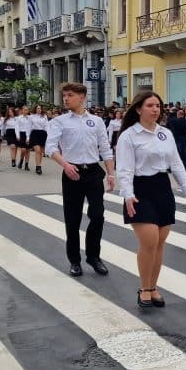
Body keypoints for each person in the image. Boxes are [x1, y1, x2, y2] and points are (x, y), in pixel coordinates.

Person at [115, 91, 186, 309]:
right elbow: (124, 168)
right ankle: (143, 287)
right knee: (149, 240)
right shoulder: (129, 136)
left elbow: (176, 163)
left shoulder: (165, 134)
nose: (155, 110)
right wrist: (128, 194)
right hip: (140, 188)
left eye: (158, 106)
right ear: (139, 109)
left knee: (160, 242)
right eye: (150, 105)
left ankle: (153, 286)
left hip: (162, 187)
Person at [46, 82, 116, 277]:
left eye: (70, 95)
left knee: (98, 215)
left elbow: (105, 148)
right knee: (73, 218)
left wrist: (110, 173)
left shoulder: (97, 121)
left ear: (82, 97)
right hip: (72, 172)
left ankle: (93, 256)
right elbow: (50, 147)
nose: (66, 99)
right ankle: (74, 261)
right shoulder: (59, 121)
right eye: (64, 96)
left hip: (93, 172)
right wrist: (66, 165)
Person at [29, 104, 49, 175]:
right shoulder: (31, 117)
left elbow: (47, 126)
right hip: (34, 133)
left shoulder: (44, 116)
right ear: (35, 109)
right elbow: (29, 127)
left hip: (42, 134)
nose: (39, 109)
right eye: (38, 108)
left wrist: (48, 134)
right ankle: (38, 167)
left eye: (40, 108)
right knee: (37, 150)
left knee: (40, 151)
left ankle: (39, 165)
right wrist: (28, 137)